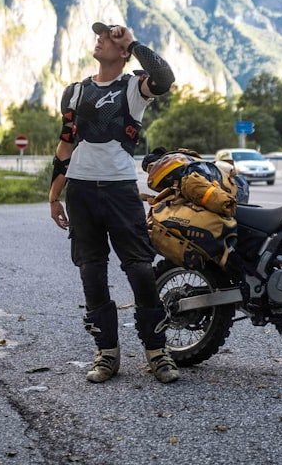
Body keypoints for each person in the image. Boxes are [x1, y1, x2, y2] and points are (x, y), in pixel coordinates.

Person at [48, 21, 179, 384]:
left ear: (122, 53)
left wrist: (132, 43)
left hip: (121, 190)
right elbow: (66, 144)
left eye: (108, 36)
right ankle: (107, 353)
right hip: (81, 191)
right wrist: (54, 194)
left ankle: (157, 353)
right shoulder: (75, 93)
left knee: (140, 270)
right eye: (100, 35)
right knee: (91, 271)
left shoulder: (134, 88)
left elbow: (165, 78)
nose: (100, 39)